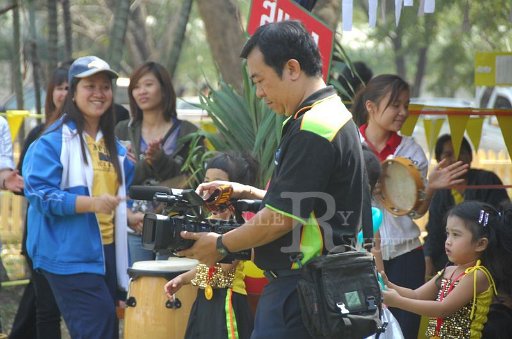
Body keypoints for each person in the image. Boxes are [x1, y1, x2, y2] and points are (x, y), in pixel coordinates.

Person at [176, 20, 371, 338]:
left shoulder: (313, 128)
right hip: (320, 286)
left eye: (260, 80)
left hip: (301, 292)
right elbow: (305, 202)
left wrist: (221, 244)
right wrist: (242, 191)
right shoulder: (333, 116)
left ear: (292, 68)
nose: (259, 93)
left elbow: (282, 217)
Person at [23, 56, 134, 339]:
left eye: (105, 86)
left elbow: (119, 200)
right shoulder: (51, 141)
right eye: (90, 86)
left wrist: (132, 216)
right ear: (73, 92)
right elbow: (39, 195)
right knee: (99, 327)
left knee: (104, 326)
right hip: (68, 253)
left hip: (107, 251)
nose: (99, 93)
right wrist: (91, 203)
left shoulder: (118, 149)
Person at [352, 74, 469, 338]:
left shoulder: (411, 150)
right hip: (360, 251)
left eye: (406, 105)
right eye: (395, 104)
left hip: (406, 251)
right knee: (362, 326)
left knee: (405, 328)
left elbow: (416, 212)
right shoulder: (349, 145)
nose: (403, 112)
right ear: (370, 107)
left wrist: (431, 188)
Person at [382, 201, 512, 339]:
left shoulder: (477, 275)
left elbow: (443, 309)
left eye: (456, 235)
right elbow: (416, 295)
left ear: (480, 244)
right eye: (447, 233)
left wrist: (398, 302)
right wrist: (389, 285)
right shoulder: (448, 270)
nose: (448, 241)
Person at [165, 151, 258, 339]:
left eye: (217, 183)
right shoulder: (208, 220)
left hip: (228, 301)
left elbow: (223, 273)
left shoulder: (238, 224)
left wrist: (192, 277)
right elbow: (207, 270)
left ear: (233, 188)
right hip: (205, 300)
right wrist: (183, 279)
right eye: (207, 181)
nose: (208, 190)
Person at [115, 61, 199, 264]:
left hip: (173, 224)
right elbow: (114, 177)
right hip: (133, 222)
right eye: (135, 87)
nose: (141, 91)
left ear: (164, 88)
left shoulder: (189, 132)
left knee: (169, 288)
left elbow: (194, 179)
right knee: (138, 285)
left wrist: (159, 159)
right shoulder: (122, 130)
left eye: (148, 84)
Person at [9, 66, 68, 339]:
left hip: (74, 236)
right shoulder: (39, 134)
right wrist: (28, 186)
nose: (65, 93)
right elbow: (21, 182)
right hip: (40, 233)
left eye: (70, 87)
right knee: (45, 309)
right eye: (60, 87)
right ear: (51, 93)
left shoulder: (93, 136)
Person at [423, 134, 510, 277]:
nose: (456, 159)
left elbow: (503, 219)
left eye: (461, 152)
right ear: (439, 160)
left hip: (489, 259)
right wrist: (428, 258)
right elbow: (434, 231)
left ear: (470, 156)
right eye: (449, 154)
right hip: (450, 262)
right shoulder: (438, 190)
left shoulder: (488, 180)